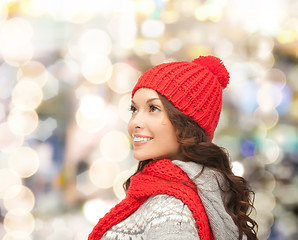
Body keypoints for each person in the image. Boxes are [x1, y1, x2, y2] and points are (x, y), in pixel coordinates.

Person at [88, 56, 258, 240]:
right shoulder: (190, 188)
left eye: (153, 108)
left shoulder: (171, 212)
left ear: (187, 123)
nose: (135, 121)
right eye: (134, 109)